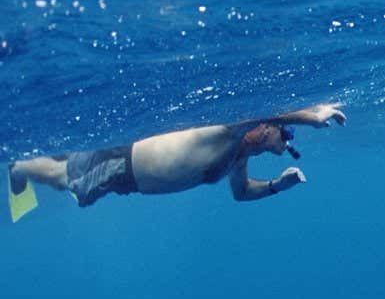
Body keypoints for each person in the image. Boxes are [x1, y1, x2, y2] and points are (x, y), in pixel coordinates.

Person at [8, 103, 345, 221]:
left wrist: (277, 186)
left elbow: (241, 194)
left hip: (131, 182)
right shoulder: (225, 134)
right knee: (64, 180)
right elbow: (271, 113)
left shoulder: (237, 158)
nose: (285, 141)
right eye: (283, 133)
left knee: (73, 185)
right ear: (264, 128)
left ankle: (46, 162)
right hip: (121, 163)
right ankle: (19, 166)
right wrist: (312, 117)